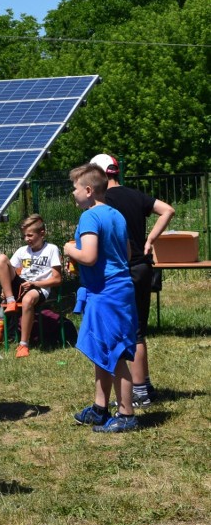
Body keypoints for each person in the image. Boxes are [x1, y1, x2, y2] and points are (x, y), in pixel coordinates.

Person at [94, 153, 175, 407]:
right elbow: (167, 210)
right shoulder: (135, 195)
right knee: (139, 328)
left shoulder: (101, 202)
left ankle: (137, 391)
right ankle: (144, 385)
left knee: (126, 332)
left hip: (120, 270)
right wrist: (150, 240)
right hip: (142, 266)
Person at [63, 163, 139, 433]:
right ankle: (99, 408)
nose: (72, 193)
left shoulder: (89, 217)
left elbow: (90, 256)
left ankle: (127, 414)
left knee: (115, 354)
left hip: (106, 293)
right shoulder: (116, 215)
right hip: (119, 289)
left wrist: (70, 249)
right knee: (102, 352)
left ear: (88, 190)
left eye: (74, 188)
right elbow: (127, 255)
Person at [0, 214, 63, 358]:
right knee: (0, 259)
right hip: (21, 285)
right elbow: (8, 271)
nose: (27, 239)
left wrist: (34, 283)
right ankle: (11, 300)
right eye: (24, 236)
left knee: (27, 300)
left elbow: (57, 279)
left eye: (30, 235)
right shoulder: (21, 251)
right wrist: (4, 290)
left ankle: (23, 345)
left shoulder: (51, 249)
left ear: (42, 233)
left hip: (40, 287)